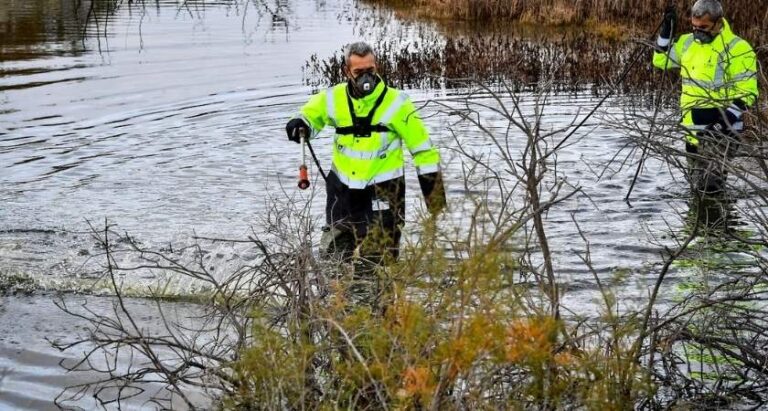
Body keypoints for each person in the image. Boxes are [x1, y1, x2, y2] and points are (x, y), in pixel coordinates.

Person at [286, 41, 446, 266]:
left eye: (370, 70)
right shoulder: (333, 97)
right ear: (347, 71)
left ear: (377, 66)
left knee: (379, 268)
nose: (366, 78)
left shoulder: (397, 102)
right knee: (333, 263)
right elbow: (310, 116)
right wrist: (299, 124)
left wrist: (434, 198)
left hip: (384, 193)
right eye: (359, 72)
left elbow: (423, 151)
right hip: (342, 193)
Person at [652, 0, 758, 193]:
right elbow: (660, 59)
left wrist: (721, 125)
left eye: (703, 27)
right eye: (694, 27)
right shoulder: (687, 42)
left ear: (719, 23)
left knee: (711, 190)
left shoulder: (738, 48)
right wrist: (666, 30)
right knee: (697, 189)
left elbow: (748, 92)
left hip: (721, 133)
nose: (698, 32)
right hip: (692, 131)